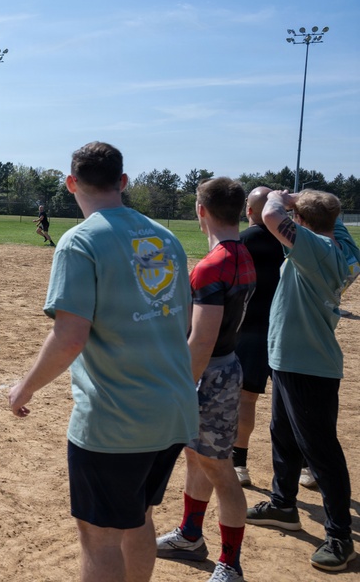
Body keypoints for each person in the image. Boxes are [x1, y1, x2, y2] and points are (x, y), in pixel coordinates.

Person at [8, 141, 197, 582]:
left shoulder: (81, 240)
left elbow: (70, 336)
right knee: (139, 518)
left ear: (71, 183)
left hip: (117, 420)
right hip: (173, 411)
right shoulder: (165, 238)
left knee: (100, 538)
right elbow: (182, 322)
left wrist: (27, 386)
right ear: (123, 182)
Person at [245, 189, 360, 572]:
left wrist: (282, 196)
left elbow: (273, 216)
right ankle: (283, 504)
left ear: (305, 223)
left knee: (321, 452)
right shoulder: (342, 247)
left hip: (306, 364)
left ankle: (340, 538)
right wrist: (310, 201)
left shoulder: (315, 249)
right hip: (291, 358)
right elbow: (334, 216)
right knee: (284, 433)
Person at [155, 178, 255, 582]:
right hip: (224, 367)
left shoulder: (213, 266)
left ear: (201, 211)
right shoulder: (241, 253)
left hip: (210, 374)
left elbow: (202, 341)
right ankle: (191, 536)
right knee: (196, 456)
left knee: (219, 467)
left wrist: (180, 389)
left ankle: (230, 564)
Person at [231, 187, 285, 488]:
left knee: (246, 398)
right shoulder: (292, 241)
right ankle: (303, 466)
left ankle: (239, 463)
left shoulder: (242, 240)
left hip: (250, 329)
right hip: (286, 329)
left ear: (248, 212)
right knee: (289, 402)